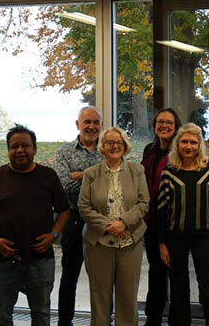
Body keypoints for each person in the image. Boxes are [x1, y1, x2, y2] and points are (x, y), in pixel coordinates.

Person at [0, 124, 70, 326]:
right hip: (3, 260)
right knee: (1, 317)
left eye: (25, 145)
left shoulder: (48, 176)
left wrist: (53, 234)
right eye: (14, 146)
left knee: (42, 314)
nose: (20, 150)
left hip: (41, 260)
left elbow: (64, 210)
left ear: (34, 149)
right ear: (8, 150)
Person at [157, 123, 209, 326]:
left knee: (206, 287)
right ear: (178, 144)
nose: (189, 146)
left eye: (193, 142)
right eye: (185, 142)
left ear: (200, 145)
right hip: (175, 237)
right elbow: (161, 210)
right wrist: (162, 244)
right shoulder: (169, 172)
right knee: (180, 287)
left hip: (204, 237)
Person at [78, 127, 148, 326]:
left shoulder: (137, 170)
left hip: (130, 243)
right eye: (110, 142)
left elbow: (144, 202)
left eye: (119, 142)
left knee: (127, 297)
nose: (115, 146)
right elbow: (84, 206)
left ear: (125, 146)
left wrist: (124, 223)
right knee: (99, 296)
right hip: (98, 244)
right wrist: (109, 226)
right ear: (103, 146)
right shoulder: (91, 173)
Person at [55, 106, 104, 326]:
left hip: (102, 222)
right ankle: (65, 322)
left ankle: (103, 320)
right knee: (70, 276)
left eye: (96, 122)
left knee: (103, 278)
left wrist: (81, 175)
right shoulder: (65, 152)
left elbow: (113, 182)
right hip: (73, 220)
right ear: (78, 124)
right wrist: (97, 175)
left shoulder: (109, 149)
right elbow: (65, 185)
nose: (92, 126)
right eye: (87, 122)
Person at [141, 107, 182, 326]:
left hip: (174, 224)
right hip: (151, 223)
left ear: (176, 127)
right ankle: (153, 320)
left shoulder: (180, 152)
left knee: (175, 278)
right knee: (155, 275)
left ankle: (175, 321)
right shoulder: (149, 149)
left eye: (169, 123)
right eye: (160, 122)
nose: (164, 126)